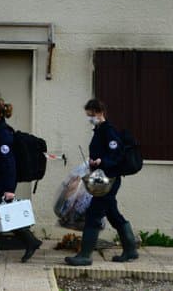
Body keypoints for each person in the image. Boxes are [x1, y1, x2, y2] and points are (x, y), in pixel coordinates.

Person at [65, 99, 138, 266]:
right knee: (112, 213)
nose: (89, 118)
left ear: (99, 112)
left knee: (93, 214)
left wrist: (101, 161)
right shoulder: (99, 130)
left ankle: (85, 255)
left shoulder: (108, 131)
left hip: (108, 179)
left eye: (90, 115)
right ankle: (130, 249)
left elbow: (116, 155)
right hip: (102, 177)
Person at [0, 96, 43, 266]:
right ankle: (29, 241)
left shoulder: (2, 132)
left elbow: (9, 162)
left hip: (3, 181)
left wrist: (10, 188)